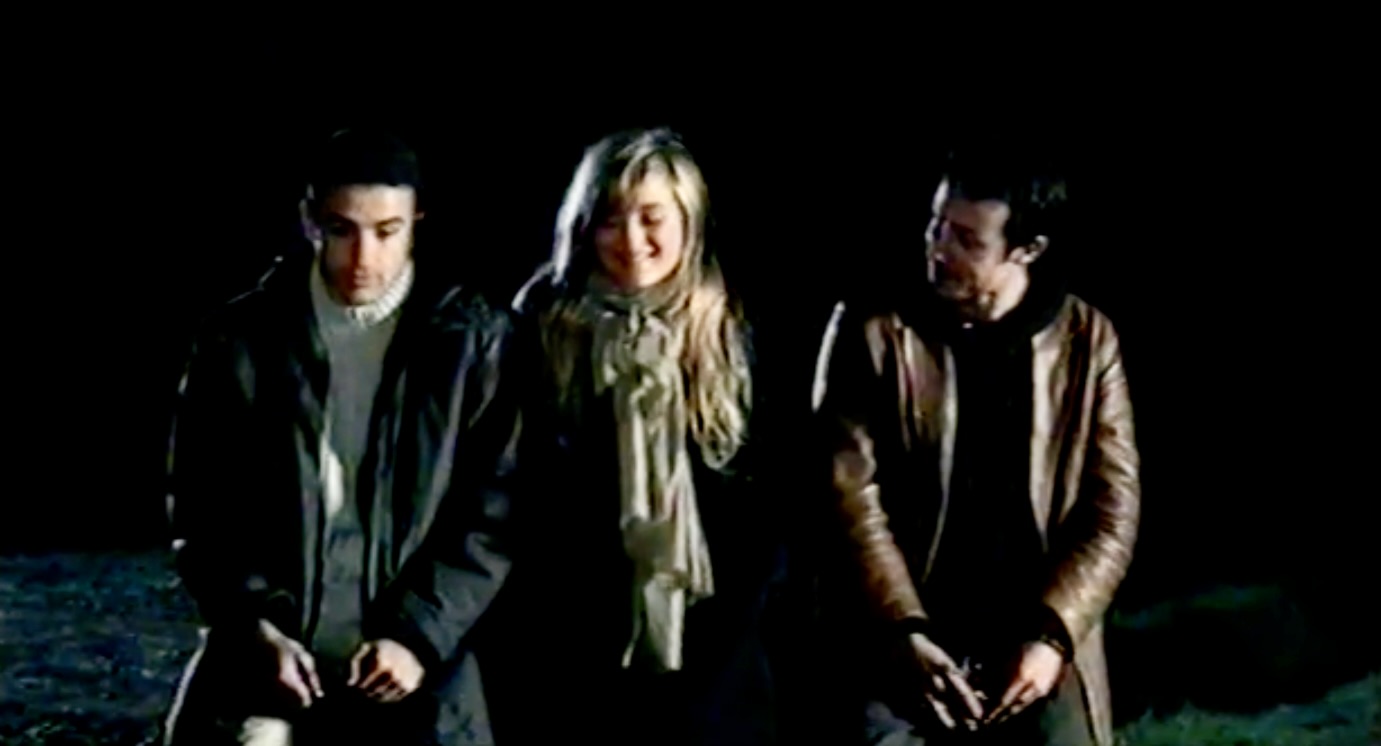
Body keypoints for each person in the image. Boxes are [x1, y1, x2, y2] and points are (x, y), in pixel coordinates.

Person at [162, 128, 521, 745]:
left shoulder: (473, 341)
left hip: (413, 666)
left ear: (417, 222)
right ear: (309, 221)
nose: (363, 258)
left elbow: (493, 515)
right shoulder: (240, 337)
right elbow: (203, 504)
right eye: (341, 230)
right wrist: (253, 625)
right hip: (272, 652)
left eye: (387, 232)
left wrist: (417, 637)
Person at [810, 145, 1140, 745]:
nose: (939, 248)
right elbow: (847, 494)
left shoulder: (1086, 341)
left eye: (967, 239)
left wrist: (1053, 634)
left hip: (1033, 640)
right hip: (898, 632)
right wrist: (903, 629)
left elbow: (1112, 511)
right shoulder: (876, 327)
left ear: (1027, 250)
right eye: (937, 225)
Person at [488, 128, 784, 745]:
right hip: (570, 663)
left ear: (687, 223)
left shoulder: (728, 330)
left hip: (716, 666)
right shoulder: (539, 325)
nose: (630, 241)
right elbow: (516, 494)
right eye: (609, 219)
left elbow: (764, 514)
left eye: (652, 219)